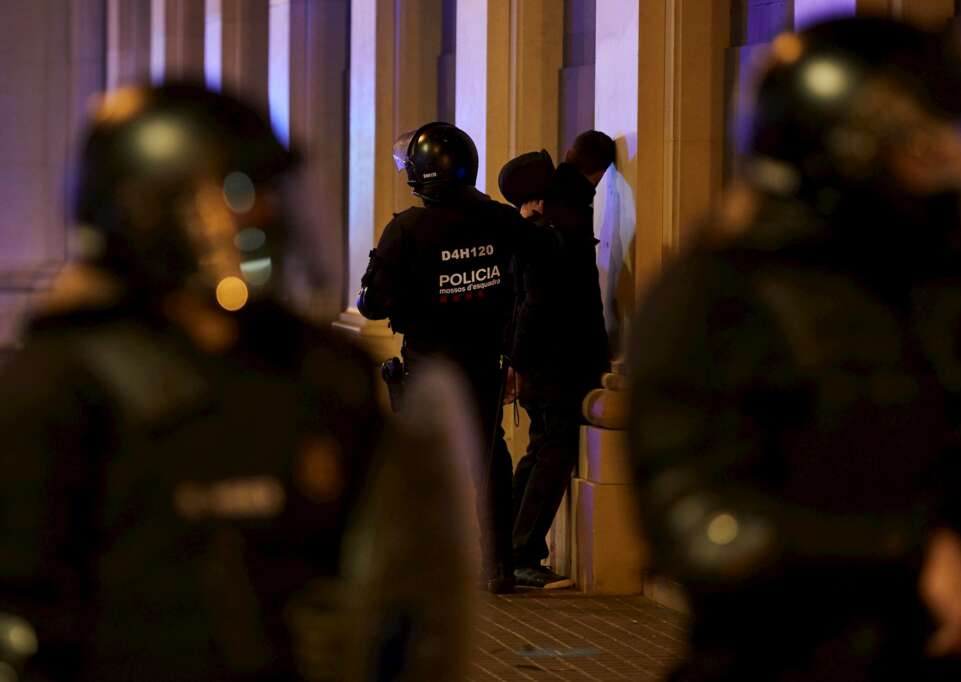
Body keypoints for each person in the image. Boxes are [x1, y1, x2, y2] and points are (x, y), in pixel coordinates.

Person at [0, 84, 476, 681]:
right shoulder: (59, 384)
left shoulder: (322, 373)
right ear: (146, 210)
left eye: (269, 190)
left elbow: (388, 584)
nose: (265, 214)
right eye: (236, 193)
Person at [629, 17, 961, 681]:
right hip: (792, 661)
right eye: (913, 138)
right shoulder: (724, 289)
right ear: (840, 146)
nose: (950, 156)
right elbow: (696, 522)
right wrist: (908, 553)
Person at [357, 122, 550, 594]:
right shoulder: (499, 219)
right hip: (484, 357)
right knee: (490, 459)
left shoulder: (406, 229)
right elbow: (545, 254)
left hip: (429, 363)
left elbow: (372, 303)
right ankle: (497, 566)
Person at [497, 132, 613, 589]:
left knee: (539, 450)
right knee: (552, 453)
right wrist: (517, 359)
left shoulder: (540, 223)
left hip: (544, 360)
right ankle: (521, 553)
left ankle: (509, 548)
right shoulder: (560, 224)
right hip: (561, 361)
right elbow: (537, 302)